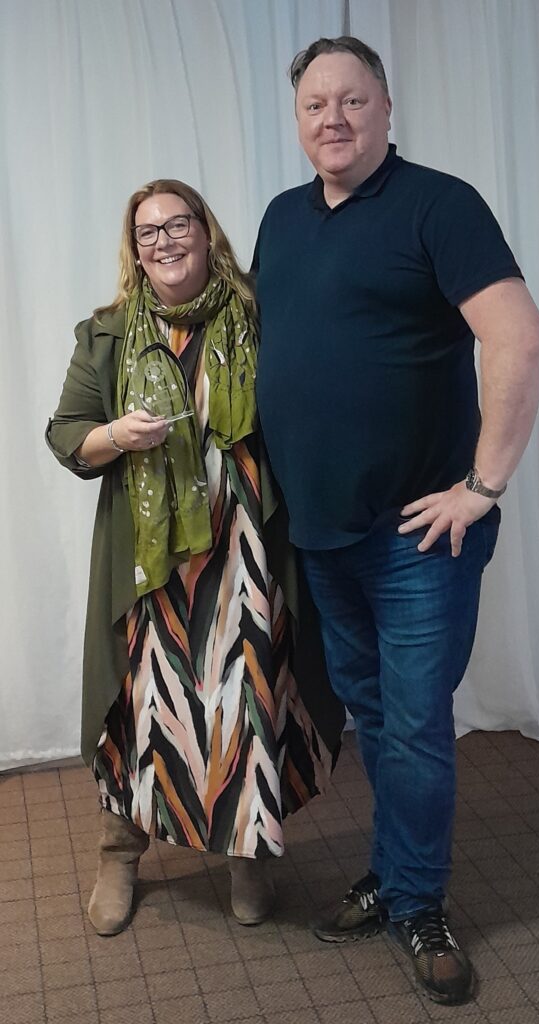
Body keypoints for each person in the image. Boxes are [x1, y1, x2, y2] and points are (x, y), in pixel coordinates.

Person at [253, 37, 539, 1005]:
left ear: (386, 107)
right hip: (322, 529)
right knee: (373, 714)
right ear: (297, 121)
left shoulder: (439, 205)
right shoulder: (280, 219)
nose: (331, 118)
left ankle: (418, 898)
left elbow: (517, 335)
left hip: (420, 531)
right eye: (313, 105)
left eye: (351, 100)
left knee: (414, 725)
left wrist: (484, 484)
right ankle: (393, 869)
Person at [47, 179, 344, 937]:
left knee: (247, 697)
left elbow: (308, 405)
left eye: (179, 224)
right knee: (140, 706)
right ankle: (120, 852)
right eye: (148, 232)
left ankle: (248, 854)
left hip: (243, 546)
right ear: (135, 250)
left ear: (206, 233)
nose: (165, 240)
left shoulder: (256, 317)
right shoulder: (108, 332)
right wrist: (119, 436)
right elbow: (66, 435)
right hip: (150, 562)